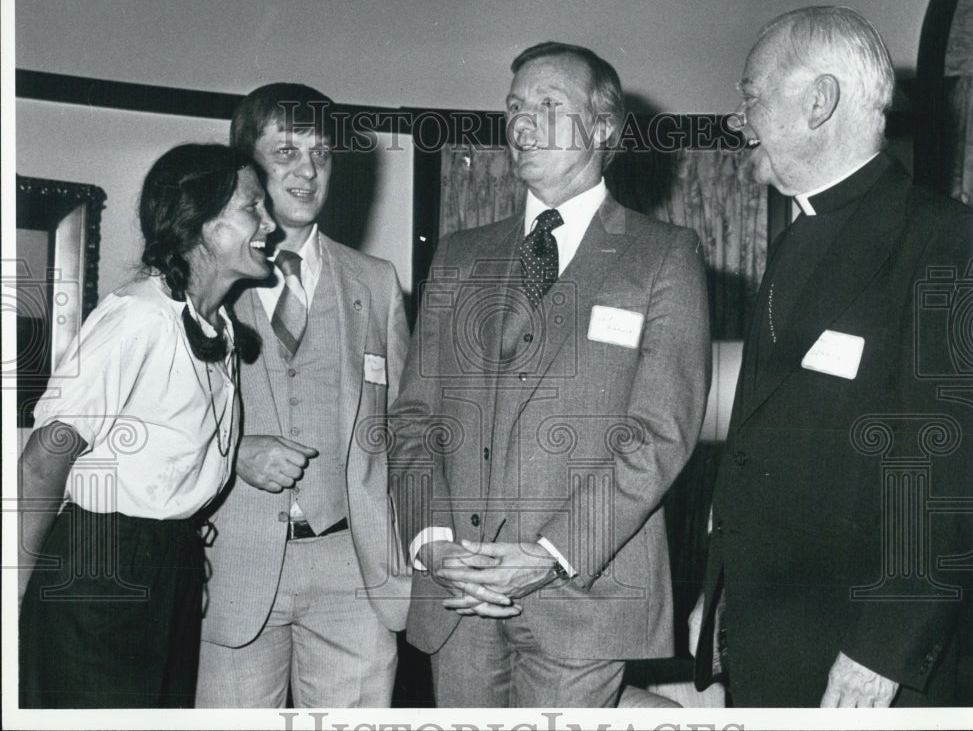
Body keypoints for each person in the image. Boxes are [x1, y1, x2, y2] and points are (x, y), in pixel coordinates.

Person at [388, 41, 711, 707]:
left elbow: (659, 435)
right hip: (461, 595)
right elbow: (414, 419)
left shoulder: (663, 256)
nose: (522, 124)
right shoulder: (458, 256)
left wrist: (550, 553)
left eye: (548, 105)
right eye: (514, 108)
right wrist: (435, 542)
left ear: (603, 126)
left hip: (585, 597)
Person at [691, 6, 973, 707]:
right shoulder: (794, 239)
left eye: (751, 96)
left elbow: (943, 467)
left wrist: (883, 649)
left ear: (819, 101)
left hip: (866, 657)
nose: (737, 119)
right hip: (769, 635)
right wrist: (717, 597)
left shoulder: (947, 241)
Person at [18, 144, 275, 707]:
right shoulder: (138, 317)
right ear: (201, 222)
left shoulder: (219, 327)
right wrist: (15, 592)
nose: (270, 225)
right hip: (101, 563)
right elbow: (43, 459)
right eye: (253, 207)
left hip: (171, 562)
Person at [195, 83, 410, 708]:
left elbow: (405, 427)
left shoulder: (376, 282)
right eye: (286, 151)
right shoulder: (204, 279)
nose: (308, 170)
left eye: (321, 153)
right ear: (247, 165)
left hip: (354, 571)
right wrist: (233, 452)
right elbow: (147, 423)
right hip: (232, 567)